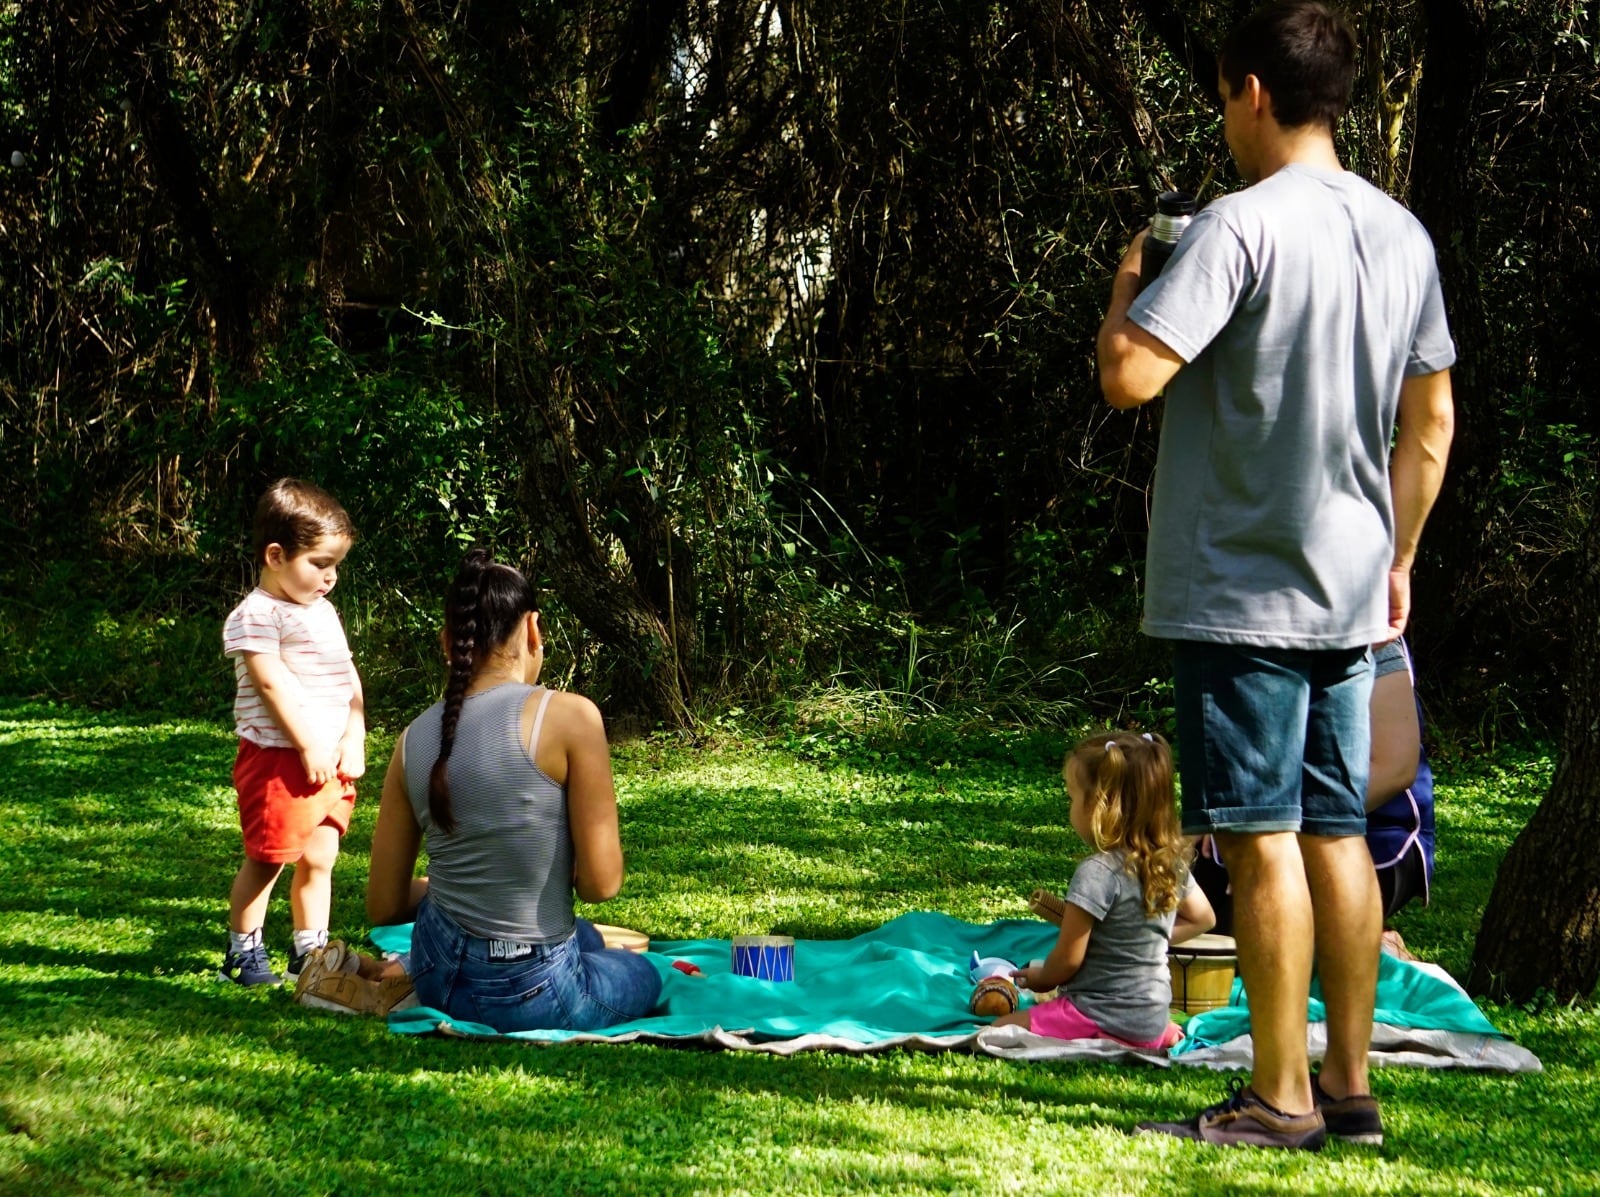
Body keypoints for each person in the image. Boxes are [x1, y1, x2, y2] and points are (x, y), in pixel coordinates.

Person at [1095, 1, 1455, 1151]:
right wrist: (1397, 554)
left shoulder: (1233, 228)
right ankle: (1349, 1093)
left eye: (1221, 97)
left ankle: (1279, 1097)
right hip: (1350, 587)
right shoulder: (1402, 235)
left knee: (1256, 839)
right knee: (1336, 832)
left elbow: (1132, 379)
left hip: (1241, 591)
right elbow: (1431, 422)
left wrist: (1126, 283)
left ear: (1250, 90)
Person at [364, 549, 662, 1032]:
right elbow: (600, 884)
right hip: (533, 990)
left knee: (587, 937)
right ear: (533, 631)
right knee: (640, 971)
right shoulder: (570, 716)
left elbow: (384, 904)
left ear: (448, 641)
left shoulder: (412, 738)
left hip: (438, 975)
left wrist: (464, 882)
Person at [1192, 634, 1437, 957]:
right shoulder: (1251, 635)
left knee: (1270, 931)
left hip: (1374, 836)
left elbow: (1395, 769)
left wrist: (1278, 830)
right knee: (1185, 920)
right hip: (1269, 824)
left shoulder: (1374, 638)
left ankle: (1375, 945)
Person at [220, 478, 366, 987]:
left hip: (329, 759)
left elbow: (348, 677)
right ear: (277, 555)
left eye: (335, 567)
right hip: (280, 760)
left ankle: (311, 951)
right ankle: (243, 952)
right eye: (319, 564)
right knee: (269, 859)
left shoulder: (322, 612)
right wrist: (307, 744)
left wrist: (354, 736)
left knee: (321, 854)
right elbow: (270, 683)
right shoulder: (256, 615)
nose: (330, 578)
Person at [993, 733, 1215, 1048]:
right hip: (1151, 1018)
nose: (1070, 808)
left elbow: (1068, 962)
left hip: (1097, 1013)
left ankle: (1110, 1034)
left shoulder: (1097, 872)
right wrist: (1139, 942)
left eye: (1072, 797)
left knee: (1000, 1029)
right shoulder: (1169, 864)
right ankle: (1155, 1036)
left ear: (1100, 806)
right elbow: (1203, 918)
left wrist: (1041, 978)